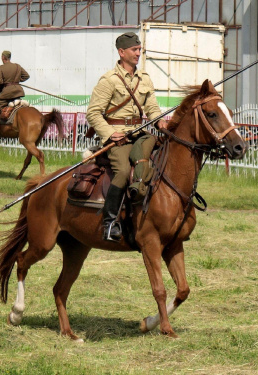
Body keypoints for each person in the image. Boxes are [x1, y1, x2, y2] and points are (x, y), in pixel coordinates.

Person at [86, 32, 167, 242]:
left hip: (140, 135)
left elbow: (152, 108)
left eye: (139, 49)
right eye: (134, 50)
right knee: (122, 171)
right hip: (117, 138)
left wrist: (160, 121)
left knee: (160, 163)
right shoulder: (109, 80)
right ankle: (110, 222)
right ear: (121, 52)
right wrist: (111, 134)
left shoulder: (145, 79)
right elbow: (93, 113)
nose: (138, 53)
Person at [0, 51, 30, 140]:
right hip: (18, 91)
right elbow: (26, 76)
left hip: (7, 92)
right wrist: (17, 81)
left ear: (3, 57)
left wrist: (7, 82)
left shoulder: (1, 68)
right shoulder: (17, 66)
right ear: (9, 57)